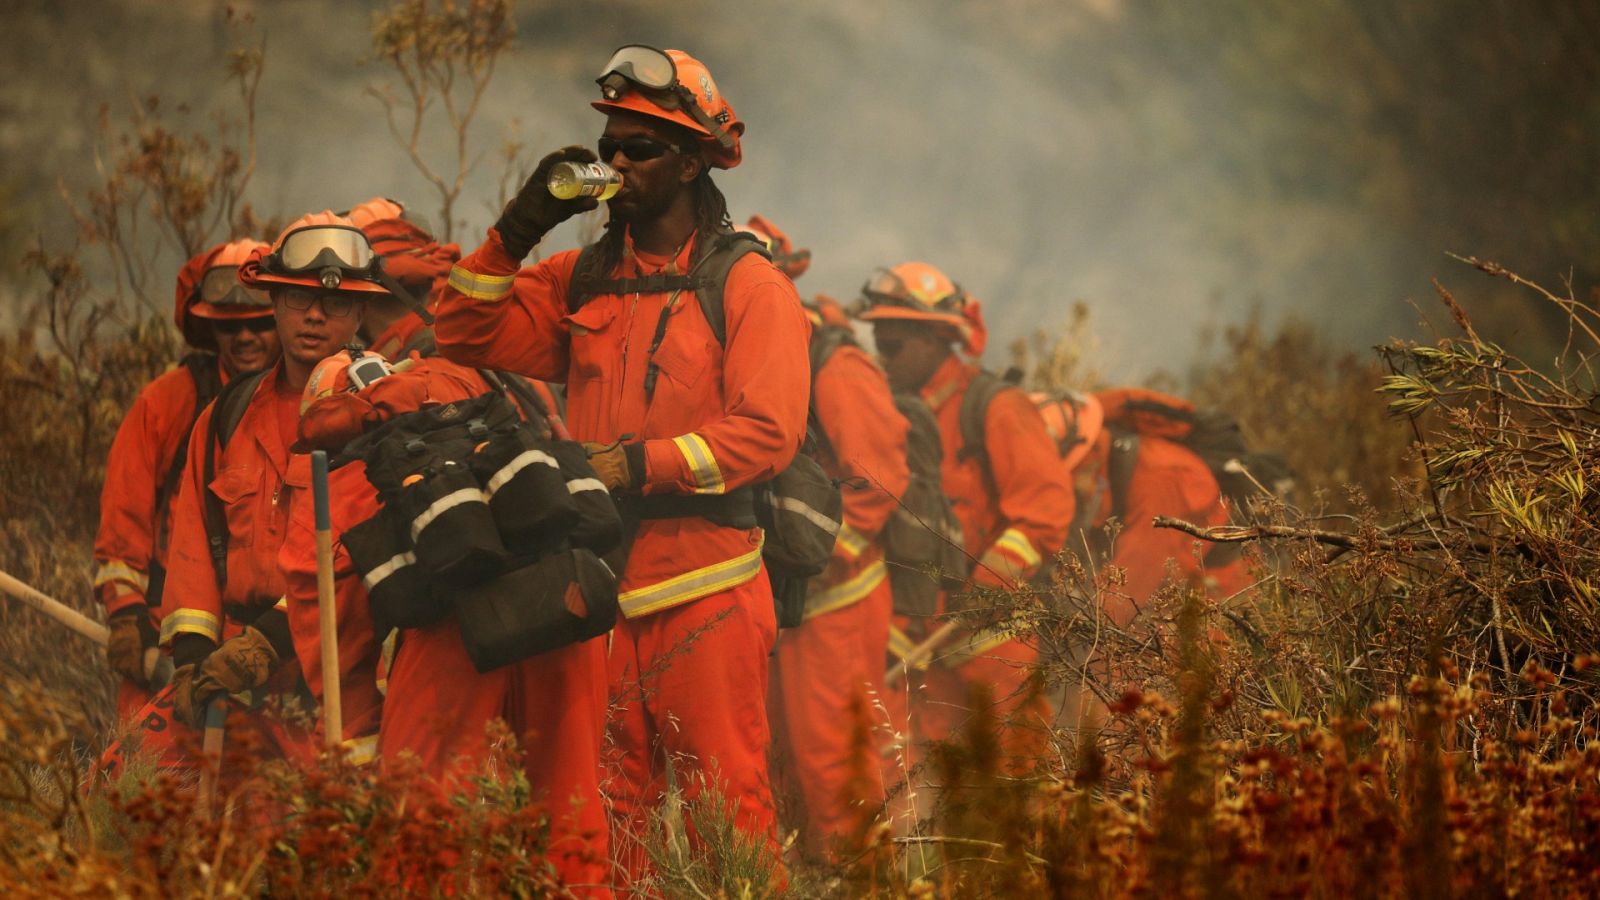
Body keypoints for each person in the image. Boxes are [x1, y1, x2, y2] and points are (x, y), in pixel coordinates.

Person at [433, 45, 810, 879]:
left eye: (640, 147)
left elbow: (768, 433)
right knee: (602, 814)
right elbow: (461, 330)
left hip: (707, 583)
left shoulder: (749, 285)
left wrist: (636, 466)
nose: (617, 162)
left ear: (690, 160)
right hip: (598, 588)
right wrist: (518, 231)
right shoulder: (582, 278)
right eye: (610, 145)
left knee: (728, 813)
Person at [158, 212, 377, 755]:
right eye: (298, 298)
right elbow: (193, 549)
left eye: (337, 303)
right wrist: (191, 659)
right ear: (274, 303)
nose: (315, 317)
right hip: (231, 687)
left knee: (323, 834)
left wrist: (268, 642)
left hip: (337, 682)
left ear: (361, 312)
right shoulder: (226, 415)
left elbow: (359, 555)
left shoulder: (384, 411)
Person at [857, 262, 1073, 770]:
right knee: (934, 798)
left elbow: (1045, 512)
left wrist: (982, 592)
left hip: (994, 650)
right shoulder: (894, 414)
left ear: (936, 340)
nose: (881, 359)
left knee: (1015, 790)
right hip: (921, 649)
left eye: (893, 347)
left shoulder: (994, 408)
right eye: (877, 345)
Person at [747, 219, 910, 861]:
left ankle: (865, 880)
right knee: (779, 754)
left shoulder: (836, 365)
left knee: (834, 762)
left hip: (833, 602)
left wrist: (818, 561)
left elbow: (878, 483)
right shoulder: (747, 351)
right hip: (783, 602)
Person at [96, 239, 276, 724]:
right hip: (167, 636)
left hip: (273, 646)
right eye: (229, 326)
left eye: (259, 323)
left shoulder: (312, 400)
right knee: (150, 781)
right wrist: (126, 617)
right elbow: (122, 520)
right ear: (209, 328)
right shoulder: (168, 401)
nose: (244, 338)